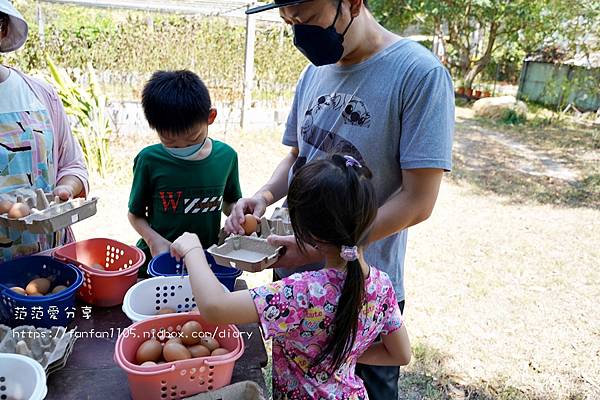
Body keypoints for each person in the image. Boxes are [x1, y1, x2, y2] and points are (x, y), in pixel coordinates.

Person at [226, 0, 454, 398]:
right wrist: (263, 196)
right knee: (295, 382)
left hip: (360, 289)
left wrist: (324, 249)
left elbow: (418, 201)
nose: (300, 33)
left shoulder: (419, 75)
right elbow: (299, 155)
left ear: (352, 3)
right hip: (298, 275)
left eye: (309, 19)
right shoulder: (313, 72)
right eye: (290, 22)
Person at [172, 154, 411, 400]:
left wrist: (192, 249)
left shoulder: (301, 293)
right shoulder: (382, 286)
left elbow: (215, 307)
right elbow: (400, 355)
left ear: (305, 231)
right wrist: (341, 353)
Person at [128, 70, 242, 275]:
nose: (181, 146)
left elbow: (230, 203)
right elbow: (135, 214)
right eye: (169, 141)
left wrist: (237, 214)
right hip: (160, 261)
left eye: (192, 138)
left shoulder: (226, 157)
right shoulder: (149, 160)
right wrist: (153, 240)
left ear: (210, 117)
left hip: (207, 262)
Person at [0, 0, 89, 261]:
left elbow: (72, 165)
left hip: (49, 258)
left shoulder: (39, 94)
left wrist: (65, 189)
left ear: (3, 30)